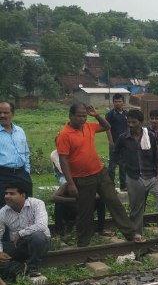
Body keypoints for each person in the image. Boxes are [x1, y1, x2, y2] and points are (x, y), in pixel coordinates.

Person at [56, 103, 144, 246]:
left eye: (84, 116)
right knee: (86, 211)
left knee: (114, 202)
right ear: (71, 116)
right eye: (79, 116)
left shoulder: (88, 127)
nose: (83, 119)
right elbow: (63, 160)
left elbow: (107, 127)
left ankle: (131, 233)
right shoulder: (64, 135)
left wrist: (96, 115)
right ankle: (83, 243)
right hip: (82, 178)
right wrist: (70, 183)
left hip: (100, 173)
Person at [114, 109, 158, 243]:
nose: (130, 125)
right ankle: (137, 234)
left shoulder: (149, 136)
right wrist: (124, 165)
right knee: (137, 208)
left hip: (150, 176)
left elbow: (157, 156)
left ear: (140, 123)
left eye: (134, 122)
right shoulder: (124, 138)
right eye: (128, 122)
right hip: (133, 177)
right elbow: (116, 154)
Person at [0, 182, 50, 278]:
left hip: (39, 243)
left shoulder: (37, 204)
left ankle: (33, 268)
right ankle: (19, 268)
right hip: (18, 245)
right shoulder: (3, 211)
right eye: (6, 193)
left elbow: (42, 225)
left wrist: (20, 233)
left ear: (23, 195)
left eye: (12, 194)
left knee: (37, 236)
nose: (7, 196)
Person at [0, 102, 32, 209]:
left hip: (22, 173)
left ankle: (26, 226)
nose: (2, 115)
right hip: (3, 175)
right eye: (0, 113)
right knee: (4, 207)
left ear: (12, 114)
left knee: (27, 205)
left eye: (6, 112)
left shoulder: (20, 131)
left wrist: (26, 172)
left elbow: (26, 152)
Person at [105, 93, 129, 191]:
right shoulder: (110, 114)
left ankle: (123, 185)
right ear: (113, 102)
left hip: (124, 144)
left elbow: (128, 128)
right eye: (116, 101)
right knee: (112, 165)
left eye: (119, 101)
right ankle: (110, 186)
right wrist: (111, 142)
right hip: (114, 143)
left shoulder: (126, 114)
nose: (118, 103)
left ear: (123, 102)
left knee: (123, 165)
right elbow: (107, 129)